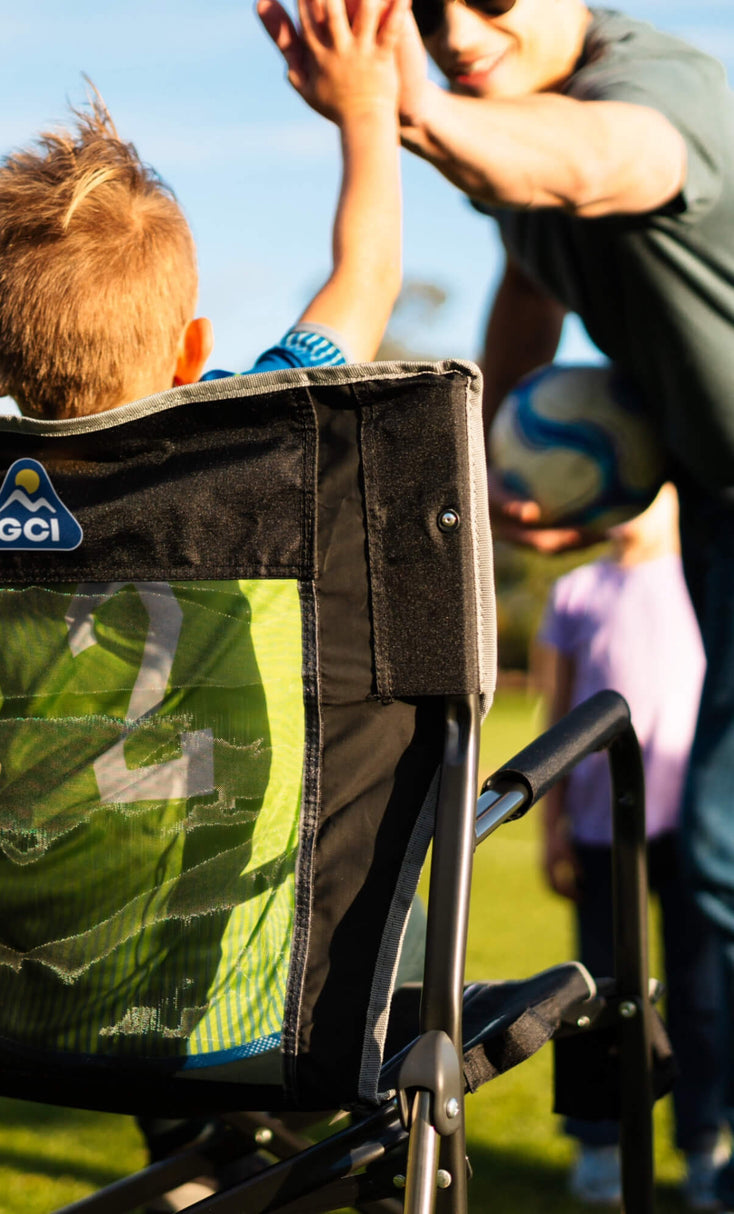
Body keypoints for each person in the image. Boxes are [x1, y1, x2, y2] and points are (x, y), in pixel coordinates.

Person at [0, 0, 411, 1070]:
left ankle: (189, 1151)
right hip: (260, 1022)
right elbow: (366, 280)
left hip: (38, 1033)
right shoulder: (266, 445)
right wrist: (365, 109)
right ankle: (225, 1149)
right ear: (194, 350)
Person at [262, 0, 734, 1199]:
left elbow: (595, 164)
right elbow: (529, 272)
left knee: (717, 845)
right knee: (711, 857)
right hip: (715, 509)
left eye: (488, 1)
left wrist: (399, 107)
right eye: (427, 14)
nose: (459, 32)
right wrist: (478, 477)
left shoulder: (655, 94)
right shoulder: (507, 138)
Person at [535, 484, 724, 1209]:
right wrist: (551, 830)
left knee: (702, 996)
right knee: (599, 993)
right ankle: (599, 1146)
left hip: (694, 832)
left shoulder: (703, 578)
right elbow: (556, 716)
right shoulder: (576, 592)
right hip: (600, 829)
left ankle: (704, 1146)